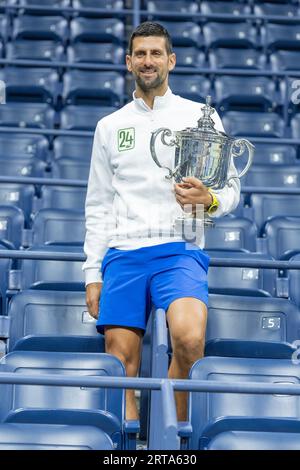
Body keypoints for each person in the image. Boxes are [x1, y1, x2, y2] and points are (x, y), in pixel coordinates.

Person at [83, 22, 240, 422]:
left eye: (156, 53)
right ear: (128, 62)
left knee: (189, 339)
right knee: (120, 360)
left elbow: (233, 188)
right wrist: (91, 273)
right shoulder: (109, 126)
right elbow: (98, 204)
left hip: (180, 249)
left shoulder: (200, 116)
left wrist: (211, 200)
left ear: (170, 60)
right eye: (140, 54)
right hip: (124, 252)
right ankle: (127, 439)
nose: (147, 61)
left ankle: (174, 434)